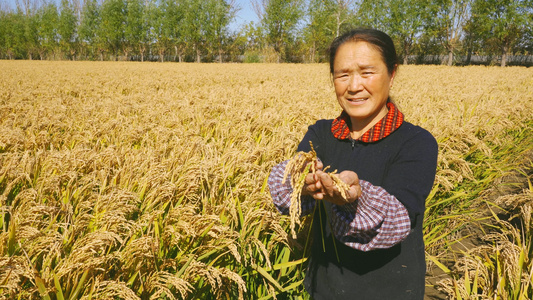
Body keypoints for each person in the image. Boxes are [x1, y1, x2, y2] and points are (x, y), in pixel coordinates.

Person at [267, 28, 438, 299]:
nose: (354, 86)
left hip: (390, 290)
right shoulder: (320, 135)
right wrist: (303, 184)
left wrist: (355, 199)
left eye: (367, 72)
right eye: (343, 74)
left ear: (392, 74)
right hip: (325, 287)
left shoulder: (416, 142)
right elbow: (290, 192)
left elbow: (399, 218)